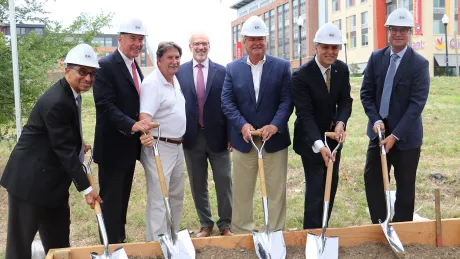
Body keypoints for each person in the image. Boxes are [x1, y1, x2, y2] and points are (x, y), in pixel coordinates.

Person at [1, 44, 102, 258]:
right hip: (29, 182)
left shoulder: (71, 94)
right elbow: (63, 150)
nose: (88, 78)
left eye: (92, 73)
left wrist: (77, 144)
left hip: (53, 183)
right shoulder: (57, 101)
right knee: (20, 246)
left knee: (58, 243)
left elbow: (61, 135)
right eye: (82, 71)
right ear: (67, 70)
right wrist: (86, 189)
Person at [221, 16, 293, 234]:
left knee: (276, 190)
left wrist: (275, 125)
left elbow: (287, 100)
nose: (256, 43)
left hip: (274, 140)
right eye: (251, 39)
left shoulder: (281, 66)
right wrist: (242, 125)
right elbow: (227, 101)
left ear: (266, 40)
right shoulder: (232, 69)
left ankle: (275, 231)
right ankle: (243, 230)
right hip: (245, 140)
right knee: (242, 189)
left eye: (260, 38)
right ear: (244, 42)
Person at [360, 8, 430, 224]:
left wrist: (395, 135)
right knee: (373, 179)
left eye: (403, 30)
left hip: (405, 136)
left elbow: (416, 104)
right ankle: (380, 224)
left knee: (405, 184)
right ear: (388, 32)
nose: (398, 34)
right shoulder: (376, 58)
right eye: (393, 29)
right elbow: (366, 94)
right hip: (378, 132)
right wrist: (376, 119)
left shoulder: (419, 64)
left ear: (410, 33)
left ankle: (402, 227)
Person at [92, 17, 155, 243]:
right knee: (111, 202)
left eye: (140, 39)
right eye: (132, 39)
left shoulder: (134, 64)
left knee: (122, 200)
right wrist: (132, 124)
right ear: (120, 39)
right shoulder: (106, 65)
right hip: (113, 147)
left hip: (128, 147)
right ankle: (110, 246)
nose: (137, 43)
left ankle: (119, 241)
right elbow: (105, 105)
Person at [291, 23, 353, 229]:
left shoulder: (341, 69)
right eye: (325, 47)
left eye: (334, 47)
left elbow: (345, 100)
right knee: (316, 187)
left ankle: (323, 227)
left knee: (331, 185)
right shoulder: (301, 75)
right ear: (315, 47)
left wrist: (341, 123)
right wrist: (319, 144)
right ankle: (311, 231)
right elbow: (305, 115)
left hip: (333, 138)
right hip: (310, 139)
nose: (330, 52)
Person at [176, 32, 233, 237]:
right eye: (197, 44)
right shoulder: (179, 72)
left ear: (209, 46)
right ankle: (205, 223)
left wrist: (230, 134)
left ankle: (225, 224)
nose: (201, 47)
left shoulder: (223, 71)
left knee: (224, 181)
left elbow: (229, 104)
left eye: (205, 44)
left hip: (218, 137)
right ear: (190, 46)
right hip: (191, 137)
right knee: (197, 183)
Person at [139, 42, 186, 241]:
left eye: (177, 57)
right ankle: (157, 243)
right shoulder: (153, 83)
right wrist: (145, 134)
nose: (174, 61)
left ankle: (172, 238)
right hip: (160, 146)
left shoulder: (174, 80)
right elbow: (145, 117)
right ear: (158, 60)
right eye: (169, 58)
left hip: (177, 146)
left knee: (176, 196)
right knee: (159, 198)